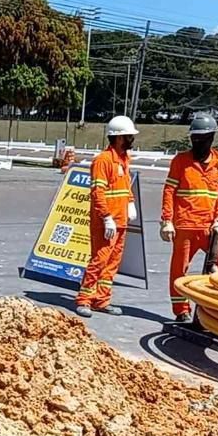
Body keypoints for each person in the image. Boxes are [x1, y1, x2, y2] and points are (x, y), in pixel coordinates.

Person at [161, 112, 218, 322]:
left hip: (211, 227)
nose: (196, 142)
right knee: (179, 269)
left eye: (201, 139)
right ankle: (181, 310)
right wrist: (167, 220)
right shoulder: (181, 161)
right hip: (186, 224)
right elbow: (169, 191)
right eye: (194, 138)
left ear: (211, 138)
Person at [76, 115, 139, 318]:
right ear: (119, 138)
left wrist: (130, 201)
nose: (132, 139)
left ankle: (101, 300)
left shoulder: (123, 159)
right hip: (107, 221)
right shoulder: (103, 160)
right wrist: (106, 217)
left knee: (112, 263)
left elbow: (124, 185)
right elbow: (97, 193)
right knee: (99, 260)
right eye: (130, 136)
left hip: (121, 221)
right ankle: (84, 299)